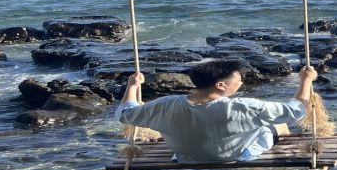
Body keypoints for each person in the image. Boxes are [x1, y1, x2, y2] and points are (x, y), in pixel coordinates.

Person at [116, 58, 317, 163]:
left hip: (187, 157)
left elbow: (125, 114)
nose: (241, 83)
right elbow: (296, 110)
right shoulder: (241, 107)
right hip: (235, 156)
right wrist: (306, 81)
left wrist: (132, 86)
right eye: (239, 80)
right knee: (279, 125)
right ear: (220, 85)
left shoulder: (166, 104)